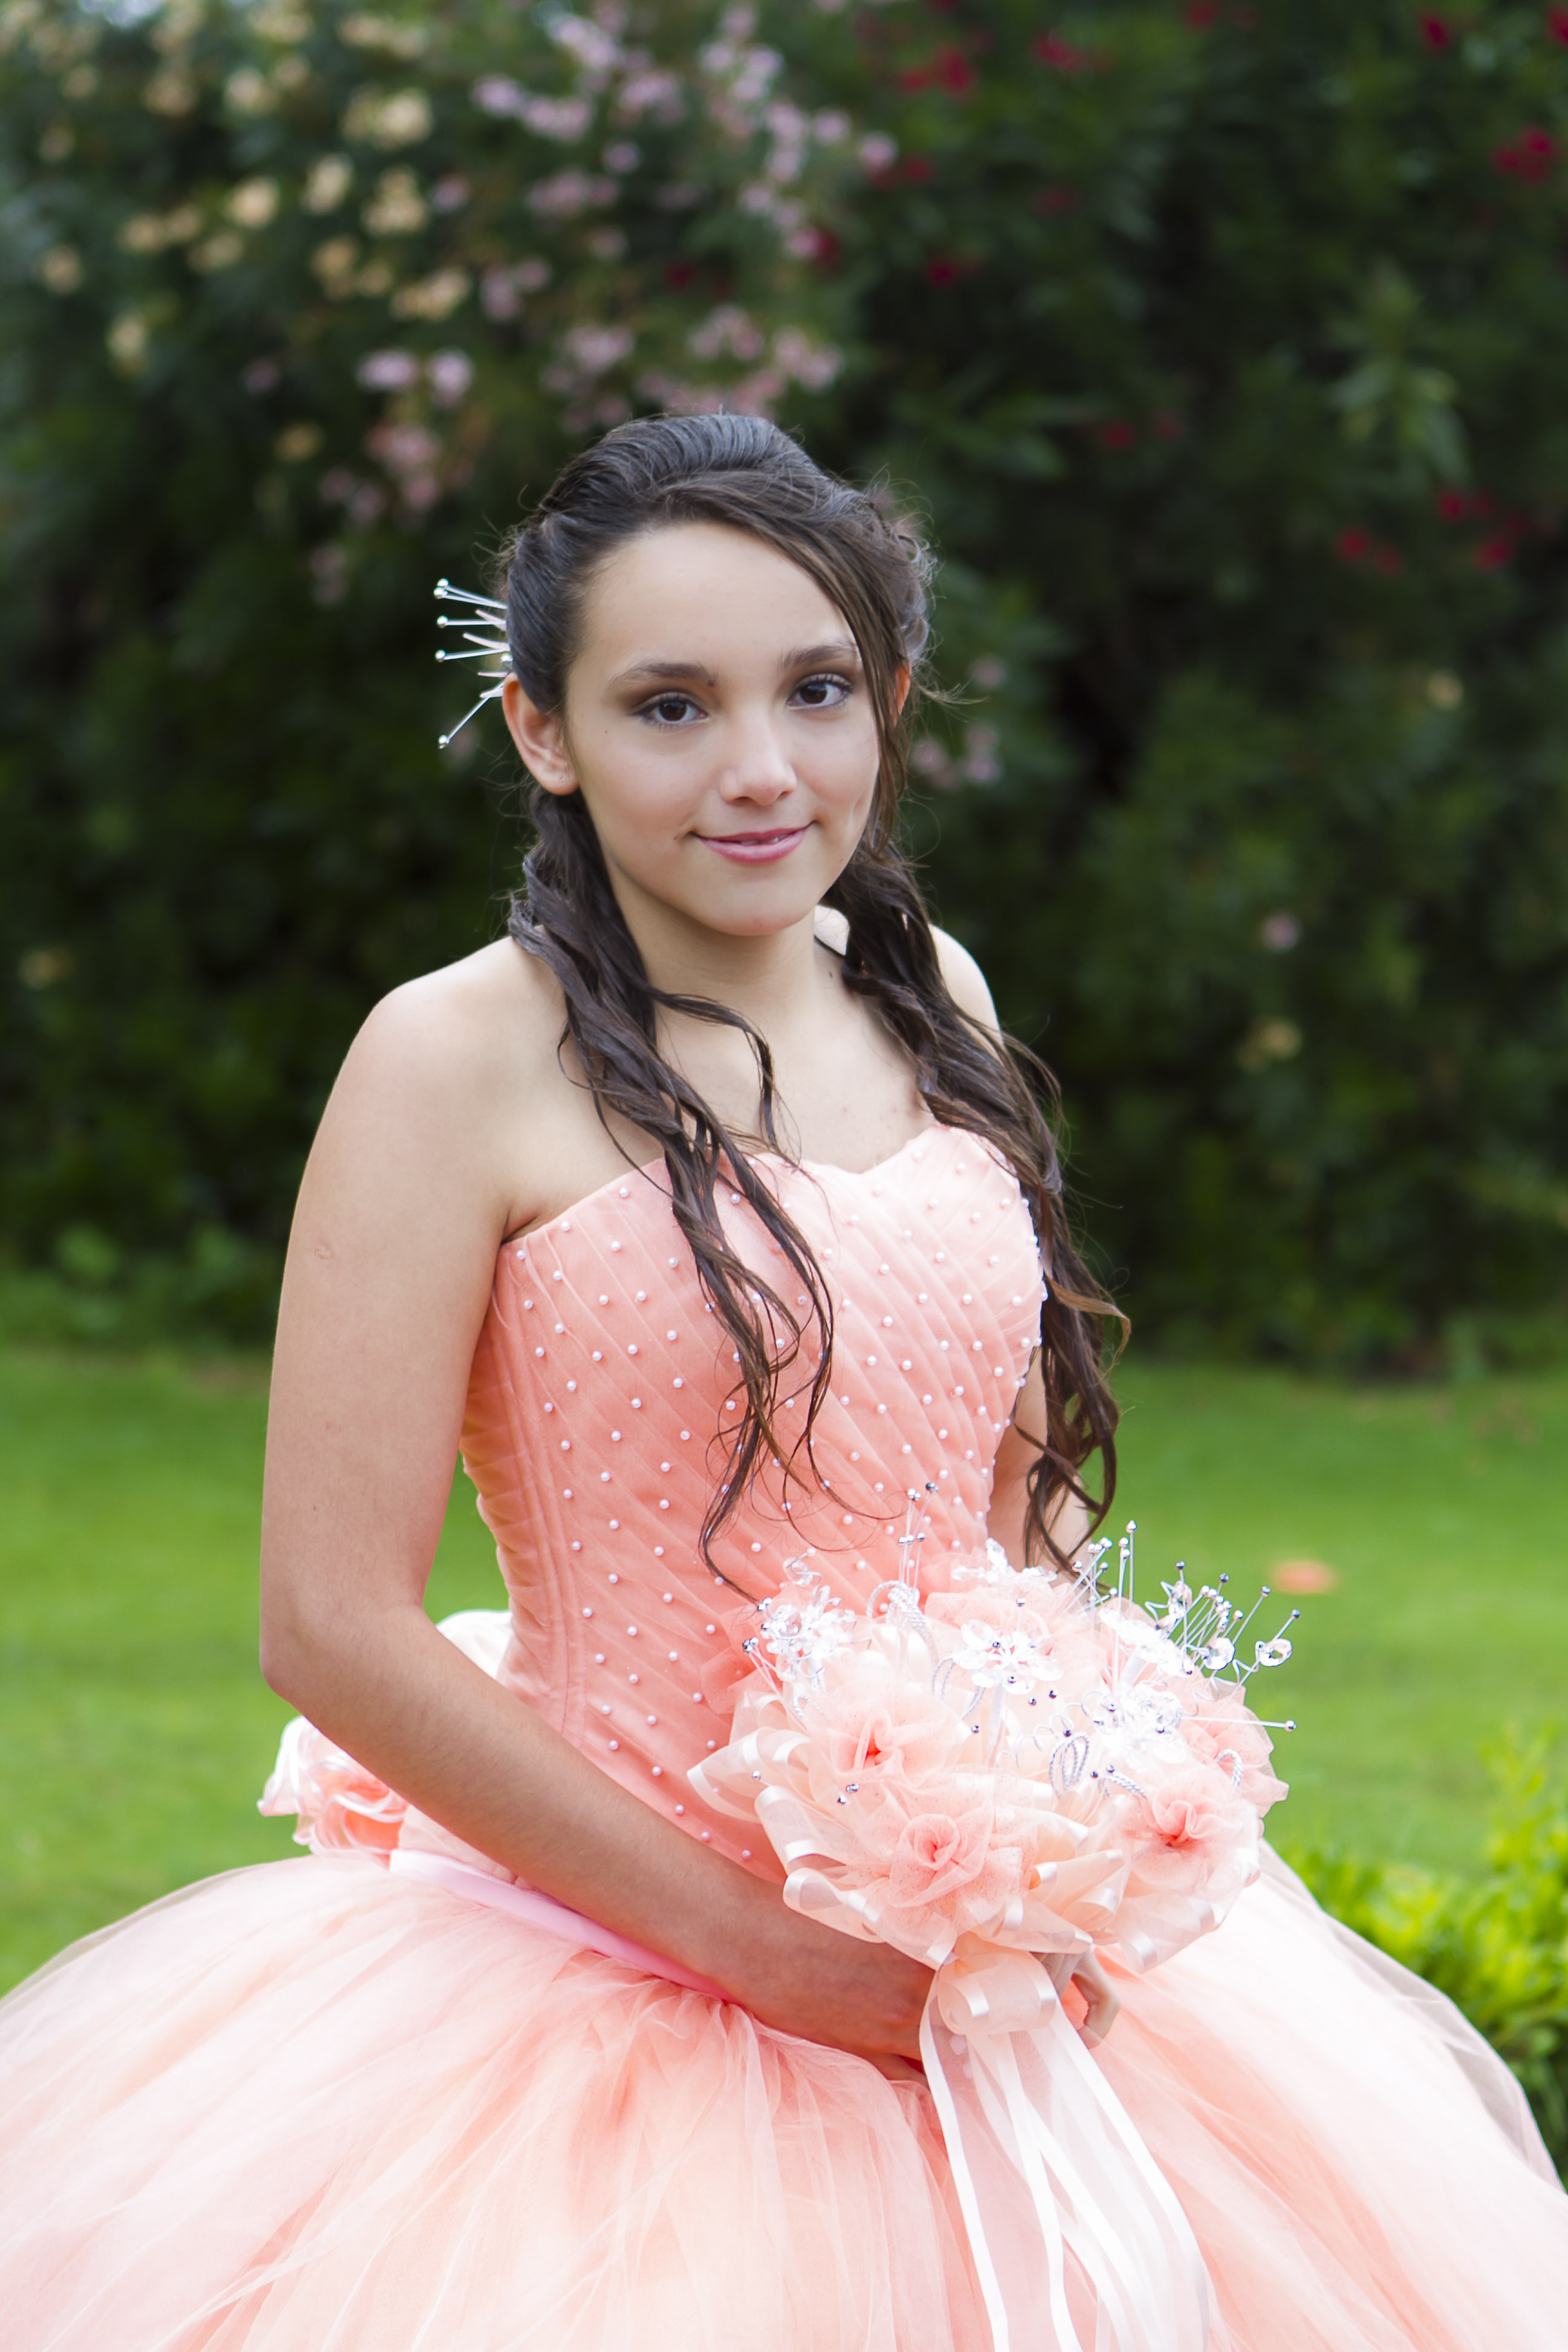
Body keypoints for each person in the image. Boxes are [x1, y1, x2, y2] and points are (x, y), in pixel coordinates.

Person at [1, 414, 1564, 2352]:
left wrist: (1059, 1812)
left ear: (889, 698)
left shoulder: (936, 999)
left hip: (972, 1964)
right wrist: (769, 1955)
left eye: (815, 690)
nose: (760, 768)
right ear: (541, 730)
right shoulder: (447, 1063)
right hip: (603, 1989)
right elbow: (331, 1622)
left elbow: (1003, 1495)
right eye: (670, 706)